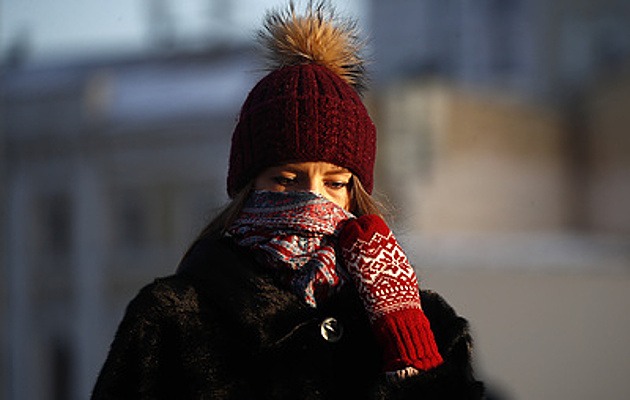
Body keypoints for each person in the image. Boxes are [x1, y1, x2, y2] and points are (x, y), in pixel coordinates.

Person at [92, 2, 485, 399]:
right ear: (248, 186)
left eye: (334, 183)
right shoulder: (174, 319)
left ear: (355, 192)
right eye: (286, 179)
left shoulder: (428, 319)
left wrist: (411, 352)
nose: (312, 199)